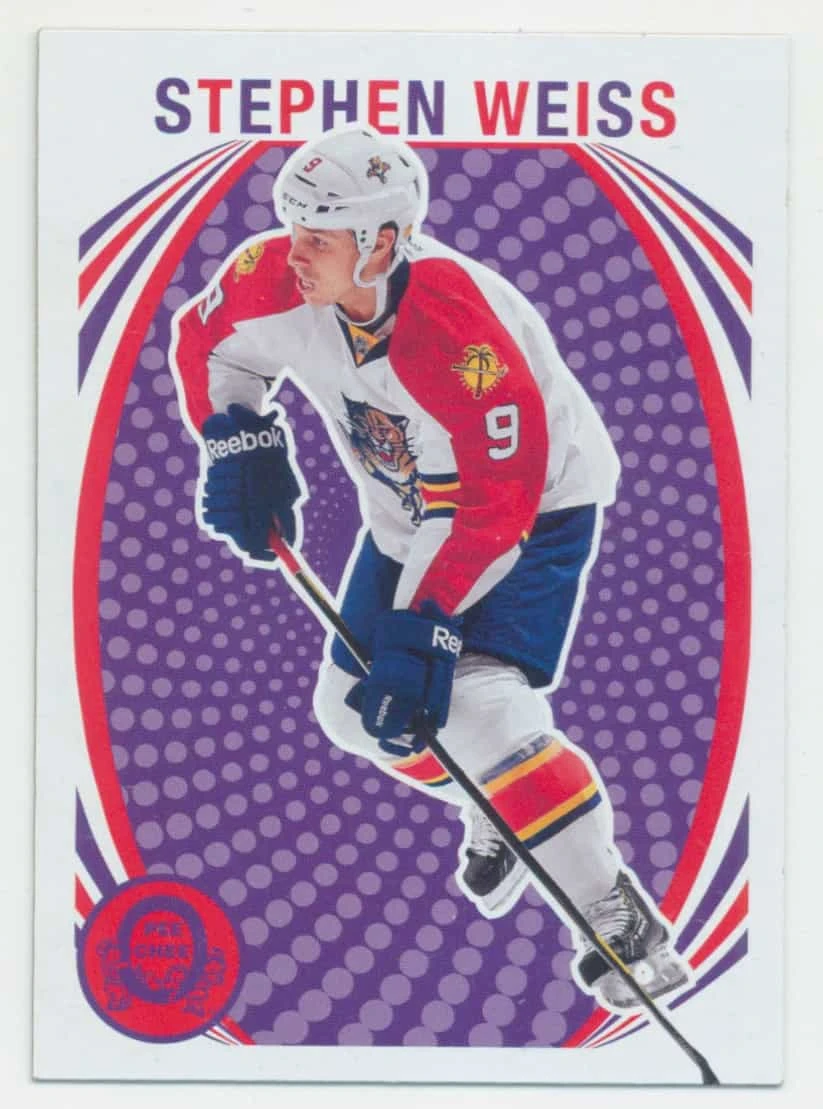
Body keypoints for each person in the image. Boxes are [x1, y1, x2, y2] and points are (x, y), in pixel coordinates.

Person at [170, 125, 689, 1011]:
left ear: (381, 243)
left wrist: (423, 631)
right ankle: (496, 802)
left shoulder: (461, 333)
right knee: (351, 709)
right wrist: (239, 436)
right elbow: (209, 343)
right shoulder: (272, 276)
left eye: (319, 238)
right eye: (293, 229)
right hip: (409, 513)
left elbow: (495, 501)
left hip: (531, 508)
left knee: (474, 701)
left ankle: (614, 912)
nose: (293, 253)